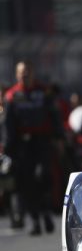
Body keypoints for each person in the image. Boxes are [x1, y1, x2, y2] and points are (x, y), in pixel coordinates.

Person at [4, 61, 64, 235]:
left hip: (42, 142)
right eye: (21, 72)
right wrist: (8, 148)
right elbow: (8, 124)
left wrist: (59, 138)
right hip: (22, 145)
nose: (24, 75)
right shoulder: (11, 95)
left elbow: (55, 116)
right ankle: (35, 220)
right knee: (27, 182)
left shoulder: (44, 93)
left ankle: (46, 212)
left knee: (43, 176)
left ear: (33, 73)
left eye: (27, 71)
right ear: (16, 75)